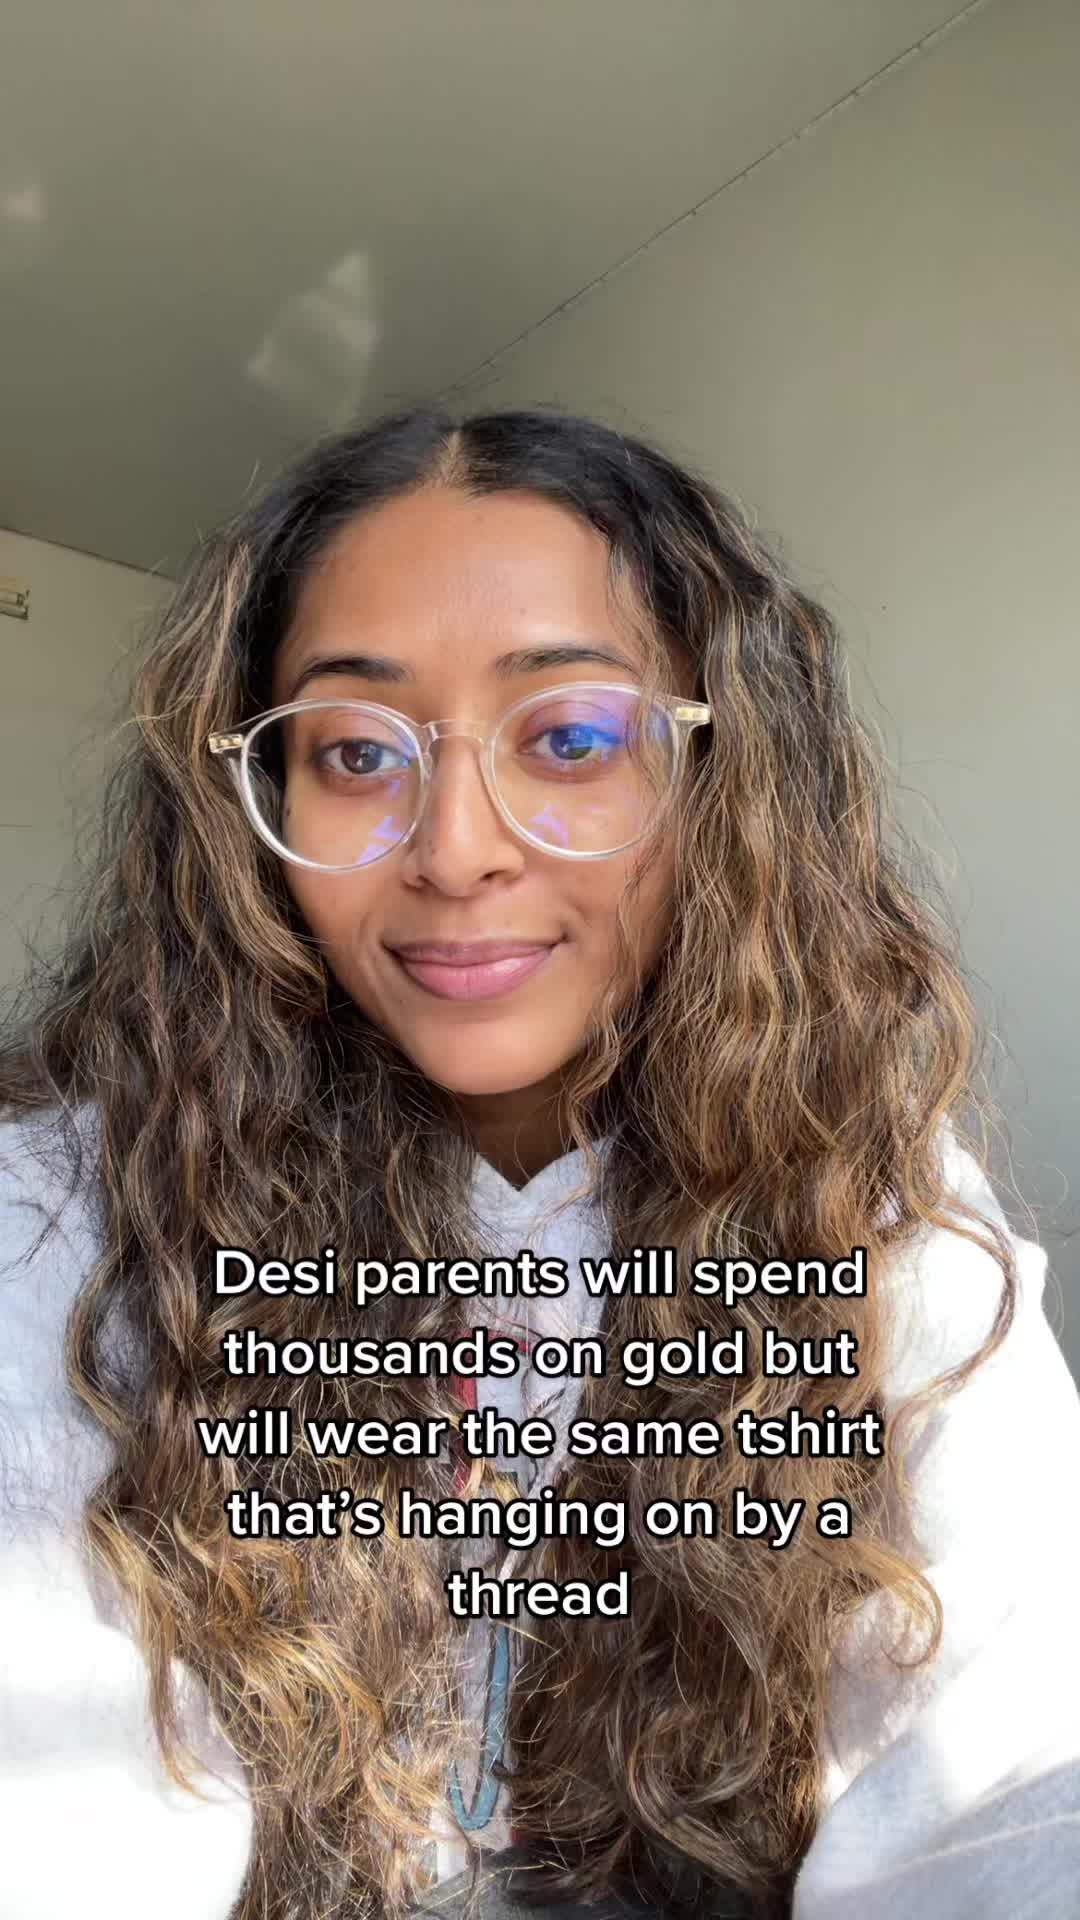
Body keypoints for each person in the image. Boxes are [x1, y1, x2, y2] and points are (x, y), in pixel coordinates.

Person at [0, 406, 1077, 1920]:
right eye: (354, 751)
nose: (454, 850)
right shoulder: (65, 1215)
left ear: (725, 776)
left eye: (570, 738)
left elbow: (1012, 1784)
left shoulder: (881, 1216)